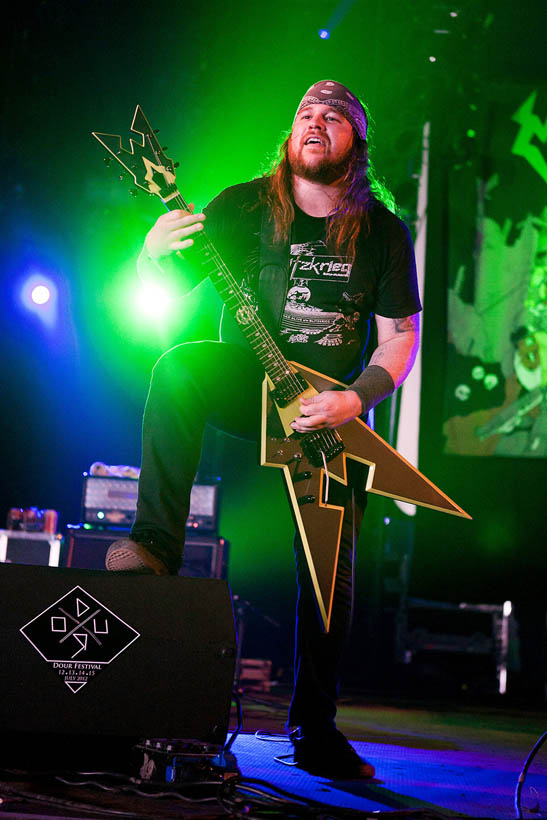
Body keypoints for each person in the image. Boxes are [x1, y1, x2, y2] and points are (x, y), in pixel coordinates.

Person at [105, 80, 421, 779]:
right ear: (288, 134)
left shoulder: (382, 233)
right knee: (177, 368)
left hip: (323, 409)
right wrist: (150, 253)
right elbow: (148, 286)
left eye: (334, 117)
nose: (316, 122)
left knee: (329, 565)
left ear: (354, 147)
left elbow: (399, 338)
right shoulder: (240, 206)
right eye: (305, 113)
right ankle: (155, 539)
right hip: (247, 384)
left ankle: (314, 728)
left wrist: (354, 400)